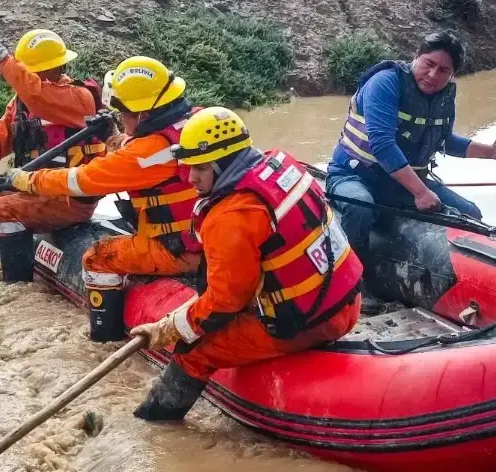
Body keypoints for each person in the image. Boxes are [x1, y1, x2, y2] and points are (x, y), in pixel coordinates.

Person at [129, 107, 364, 421]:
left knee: (193, 349)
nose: (191, 178)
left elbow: (224, 303)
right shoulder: (281, 164)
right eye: (189, 167)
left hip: (313, 320)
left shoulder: (231, 217)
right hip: (346, 297)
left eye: (200, 168)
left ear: (224, 164)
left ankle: (158, 423)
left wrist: (168, 328)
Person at [2, 56, 204, 342]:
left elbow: (83, 180)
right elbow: (136, 152)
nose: (120, 117)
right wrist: (112, 134)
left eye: (123, 113)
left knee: (98, 258)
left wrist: (26, 180)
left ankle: (104, 339)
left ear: (143, 114)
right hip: (206, 241)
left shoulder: (148, 153)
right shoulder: (194, 125)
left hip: (176, 249)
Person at [325, 30, 496, 310]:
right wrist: (421, 193)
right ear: (416, 56)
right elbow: (382, 144)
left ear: (452, 75)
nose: (433, 75)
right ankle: (356, 285)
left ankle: (478, 286)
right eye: (429, 64)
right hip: (354, 175)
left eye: (443, 70)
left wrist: (491, 152)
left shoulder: (444, 96)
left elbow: (445, 140)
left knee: (470, 214)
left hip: (403, 184)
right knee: (360, 206)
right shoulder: (385, 83)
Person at [0, 28, 109, 283]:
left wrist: (2, 57)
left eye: (31, 71)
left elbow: (37, 95)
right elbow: (0, 134)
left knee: (0, 209)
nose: (28, 76)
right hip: (31, 188)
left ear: (56, 68)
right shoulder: (22, 101)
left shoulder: (79, 97)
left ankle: (16, 283)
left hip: (68, 198)